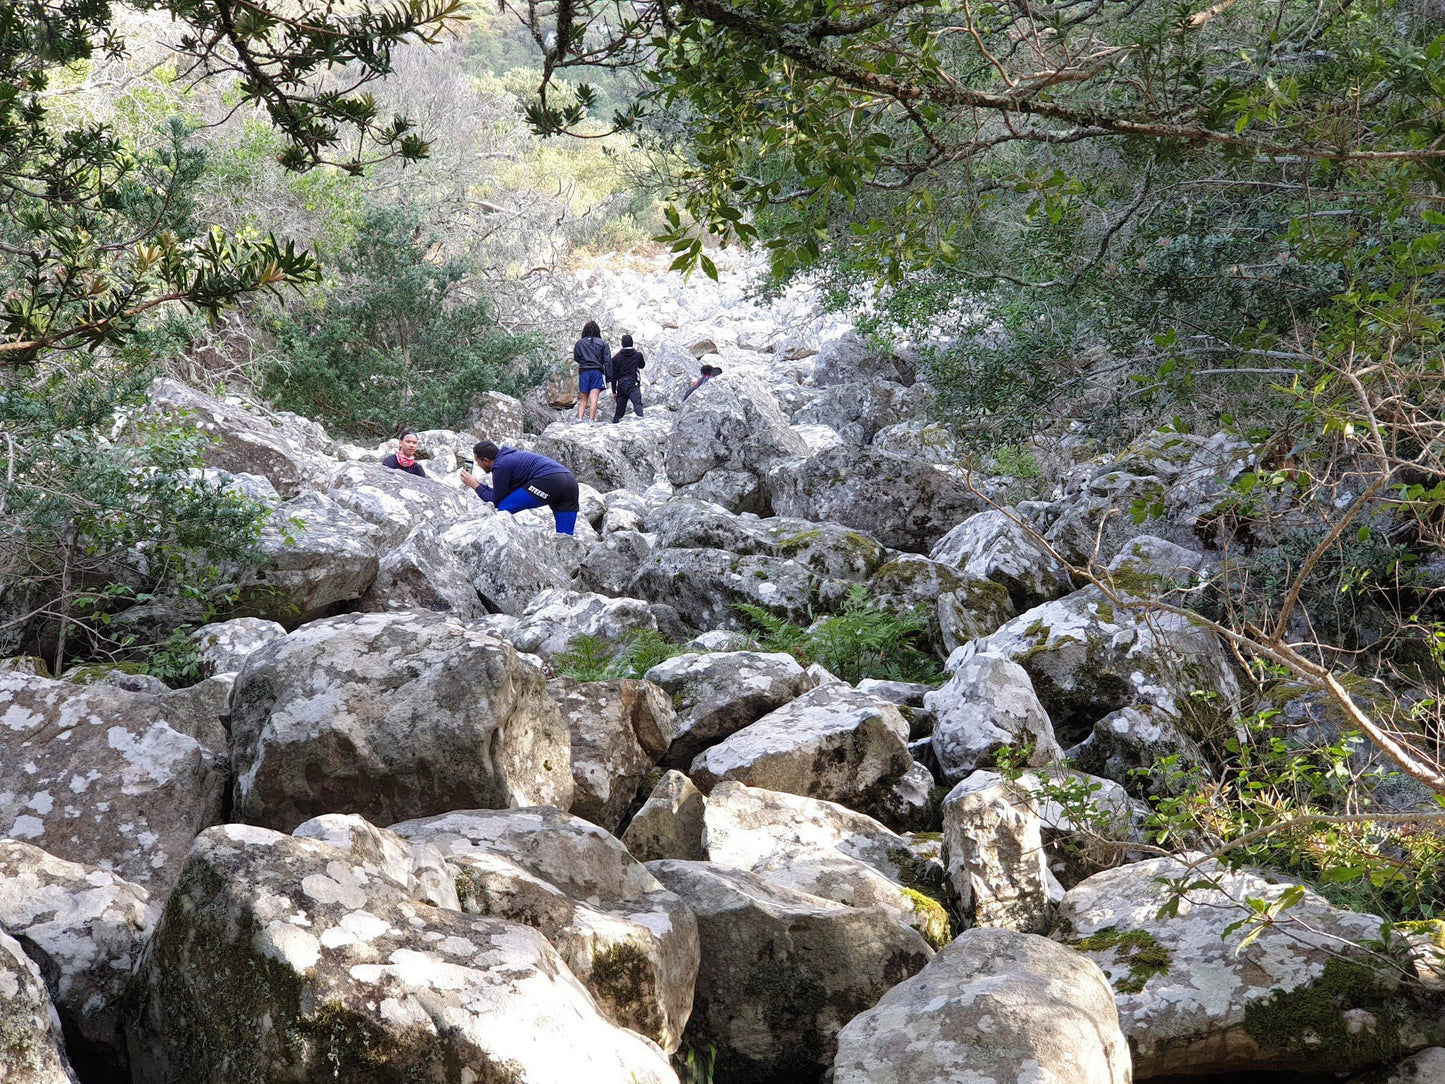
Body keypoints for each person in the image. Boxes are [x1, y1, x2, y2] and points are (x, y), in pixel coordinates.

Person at [460, 439, 581, 535]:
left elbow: (496, 502)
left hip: (548, 480)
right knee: (565, 537)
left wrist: (474, 485)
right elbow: (501, 495)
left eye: (478, 462)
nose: (478, 465)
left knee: (503, 509)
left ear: (485, 460)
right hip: (569, 481)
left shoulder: (501, 466)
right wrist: (479, 485)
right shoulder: (509, 458)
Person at [573, 320, 612, 424]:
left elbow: (576, 358)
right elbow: (608, 361)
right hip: (596, 371)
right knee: (594, 397)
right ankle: (591, 420)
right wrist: (609, 378)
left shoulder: (579, 343)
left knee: (583, 398)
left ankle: (579, 419)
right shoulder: (603, 343)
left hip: (584, 372)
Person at [609, 333, 646, 422]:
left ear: (622, 344)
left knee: (619, 411)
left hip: (621, 385)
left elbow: (613, 376)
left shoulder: (616, 358)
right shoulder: (638, 355)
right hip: (633, 383)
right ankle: (641, 422)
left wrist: (614, 391)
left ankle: (614, 424)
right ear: (632, 343)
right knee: (637, 404)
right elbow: (642, 365)